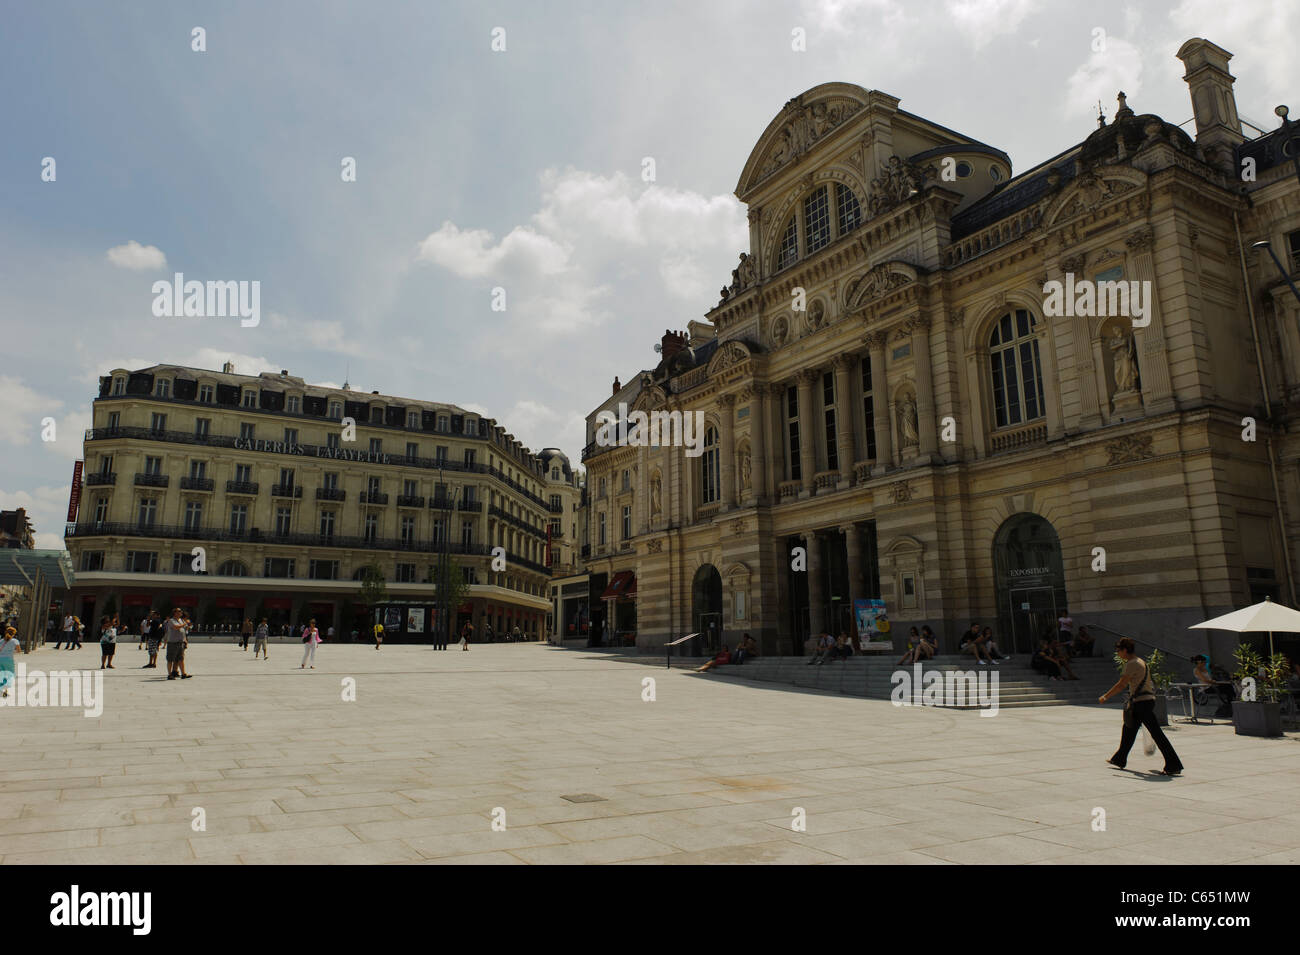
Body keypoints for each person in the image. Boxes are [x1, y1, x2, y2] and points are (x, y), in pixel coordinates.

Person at [1100, 638, 1183, 776]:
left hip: (1141, 703)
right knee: (1128, 729)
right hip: (1144, 701)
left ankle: (1173, 764)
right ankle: (1119, 758)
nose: (1118, 653)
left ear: (1125, 650)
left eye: (1118, 650)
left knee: (1156, 733)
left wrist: (1105, 696)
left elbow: (1121, 684)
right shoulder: (1141, 661)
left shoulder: (1131, 664)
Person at [163, 607, 190, 680]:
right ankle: (169, 674)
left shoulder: (181, 620)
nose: (181, 612)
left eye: (181, 611)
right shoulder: (171, 620)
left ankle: (183, 674)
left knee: (181, 659)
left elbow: (183, 630)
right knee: (170, 659)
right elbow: (176, 627)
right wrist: (184, 624)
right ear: (175, 613)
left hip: (180, 642)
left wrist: (185, 639)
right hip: (173, 643)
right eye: (179, 611)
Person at [0, 625, 22, 698]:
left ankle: (2, 689)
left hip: (0, 659)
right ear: (14, 634)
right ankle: (5, 689)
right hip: (9, 660)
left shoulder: (1, 641)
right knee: (9, 675)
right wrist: (11, 651)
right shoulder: (15, 641)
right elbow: (19, 651)